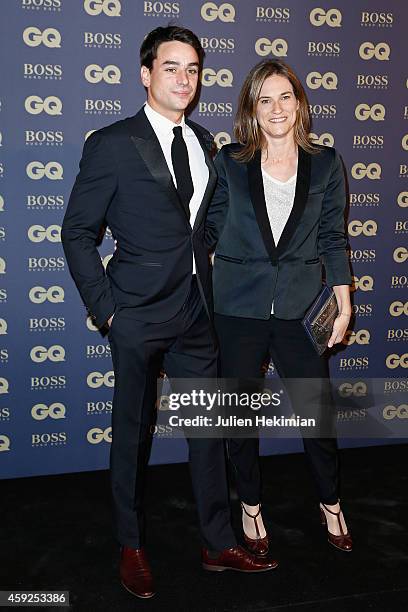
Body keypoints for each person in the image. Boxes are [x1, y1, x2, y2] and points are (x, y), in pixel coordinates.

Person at [61, 27, 277, 599]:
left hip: (196, 313)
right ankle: (131, 545)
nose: (185, 79)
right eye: (172, 68)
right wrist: (107, 311)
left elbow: (205, 225)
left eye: (194, 70)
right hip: (133, 313)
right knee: (132, 434)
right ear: (145, 74)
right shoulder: (112, 143)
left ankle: (217, 541)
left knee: (206, 433)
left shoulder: (208, 144)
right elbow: (78, 232)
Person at [206, 59, 353, 556]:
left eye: (285, 97)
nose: (276, 108)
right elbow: (207, 231)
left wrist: (343, 296)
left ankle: (330, 502)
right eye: (264, 99)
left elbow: (333, 236)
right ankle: (250, 505)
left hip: (299, 305)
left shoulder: (328, 163)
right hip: (237, 307)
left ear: (300, 104)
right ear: (251, 107)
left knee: (318, 411)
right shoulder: (229, 162)